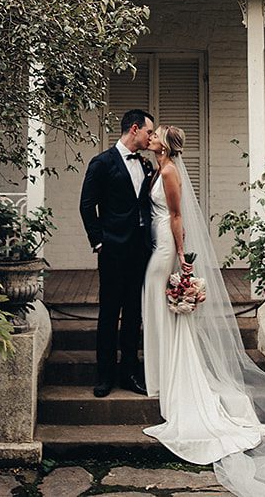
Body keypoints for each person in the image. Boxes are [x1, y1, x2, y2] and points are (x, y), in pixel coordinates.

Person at [141, 125, 265, 496]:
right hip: (155, 245)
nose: (151, 135)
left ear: (166, 145)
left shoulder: (169, 171)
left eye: (156, 134)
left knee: (163, 311)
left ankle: (169, 380)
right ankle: (159, 375)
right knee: (156, 312)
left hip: (165, 250)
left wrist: (183, 263)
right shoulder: (158, 166)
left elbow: (175, 217)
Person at [78, 108, 156, 397]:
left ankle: (129, 374)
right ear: (134, 129)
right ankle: (105, 375)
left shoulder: (147, 166)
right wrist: (98, 242)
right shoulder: (102, 163)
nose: (151, 137)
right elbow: (87, 205)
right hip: (112, 251)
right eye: (149, 131)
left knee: (134, 315)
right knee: (109, 313)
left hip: (140, 251)